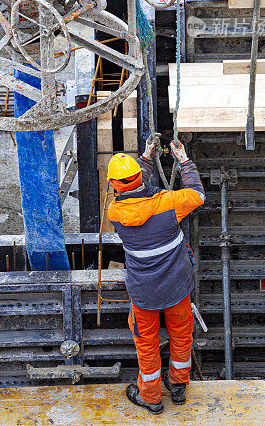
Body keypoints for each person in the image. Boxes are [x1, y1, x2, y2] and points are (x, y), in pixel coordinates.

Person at [107, 135, 204, 413]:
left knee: (147, 345)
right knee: (181, 336)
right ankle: (178, 386)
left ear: (114, 184)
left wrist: (147, 157)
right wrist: (183, 161)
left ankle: (151, 397)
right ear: (140, 177)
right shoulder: (168, 203)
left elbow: (133, 191)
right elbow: (198, 194)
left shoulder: (116, 213)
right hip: (176, 287)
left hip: (144, 293)